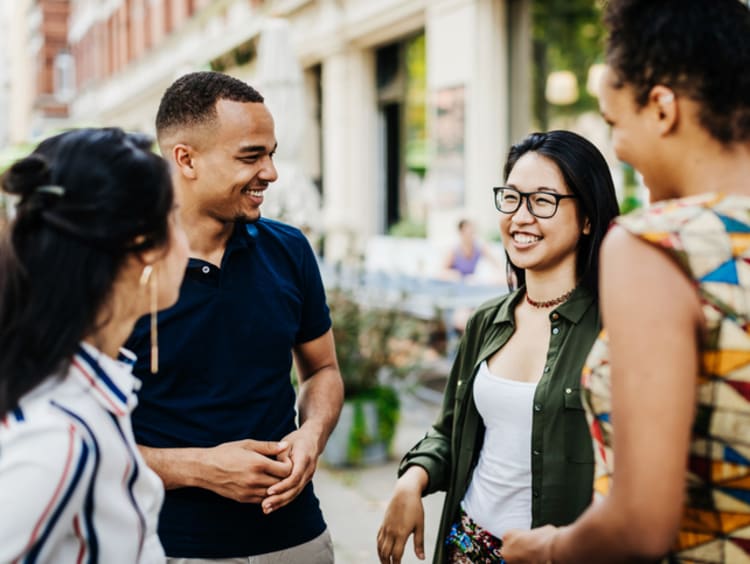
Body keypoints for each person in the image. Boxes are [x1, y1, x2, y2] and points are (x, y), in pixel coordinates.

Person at [501, 1, 750, 563]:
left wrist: (550, 549)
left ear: (662, 108)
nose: (617, 148)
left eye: (616, 123)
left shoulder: (658, 245)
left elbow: (641, 523)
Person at [125, 71, 344, 562]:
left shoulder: (290, 249)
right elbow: (80, 444)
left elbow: (323, 370)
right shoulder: (114, 267)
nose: (270, 172)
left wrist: (311, 434)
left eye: (271, 153)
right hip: (166, 546)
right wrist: (200, 468)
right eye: (250, 156)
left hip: (296, 538)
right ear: (186, 159)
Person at [377, 130, 619, 563]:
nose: (521, 217)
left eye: (543, 200)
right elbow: (451, 430)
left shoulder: (616, 328)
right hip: (466, 544)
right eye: (511, 198)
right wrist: (411, 481)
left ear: (586, 218)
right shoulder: (487, 320)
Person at [0, 127, 189, 562]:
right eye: (174, 218)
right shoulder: (61, 438)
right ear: (142, 247)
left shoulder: (95, 388)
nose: (186, 242)